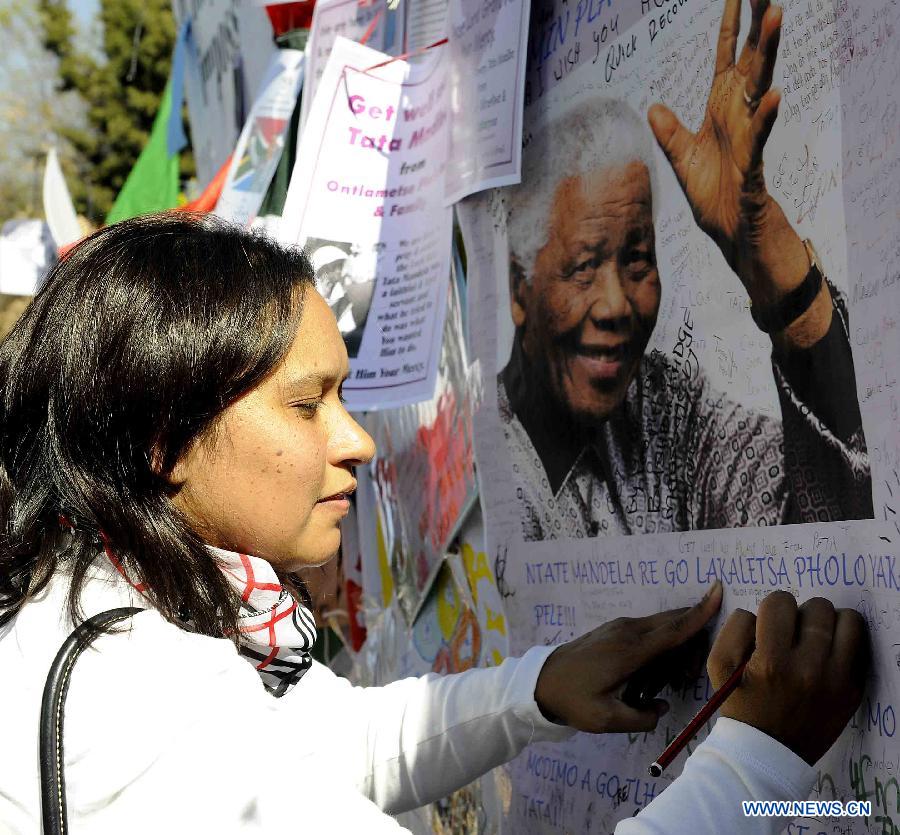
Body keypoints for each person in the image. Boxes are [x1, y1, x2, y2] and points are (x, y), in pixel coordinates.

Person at [0, 209, 869, 833]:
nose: (357, 443)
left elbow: (326, 745)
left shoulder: (100, 601)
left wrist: (536, 688)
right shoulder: (139, 699)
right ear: (164, 442)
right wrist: (760, 759)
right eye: (308, 405)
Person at [500, 0, 872, 540]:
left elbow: (833, 510)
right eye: (583, 266)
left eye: (638, 260)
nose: (615, 305)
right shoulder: (492, 464)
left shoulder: (669, 411)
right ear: (519, 289)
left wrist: (768, 257)